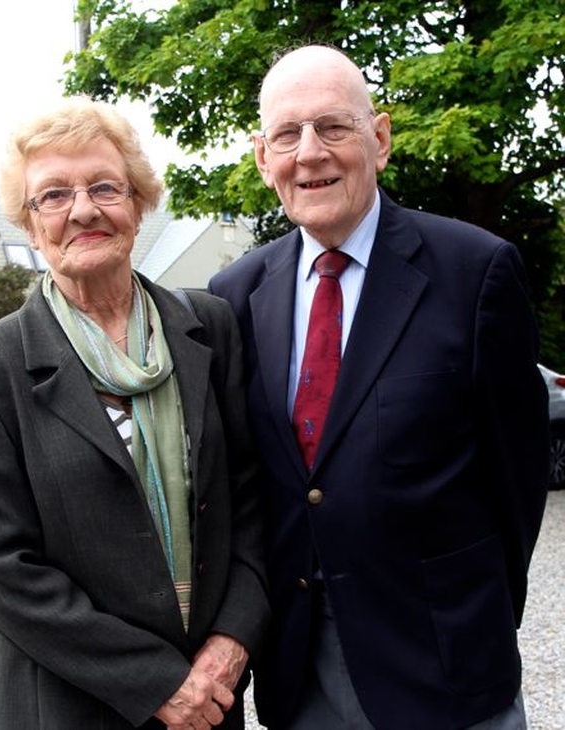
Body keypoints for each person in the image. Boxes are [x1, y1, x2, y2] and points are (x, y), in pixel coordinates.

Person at [208, 44, 550, 730]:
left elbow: (520, 479)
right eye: (287, 134)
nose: (310, 154)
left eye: (333, 127)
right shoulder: (235, 296)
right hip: (298, 671)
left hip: (445, 670)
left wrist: (473, 614)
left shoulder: (474, 272)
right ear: (261, 157)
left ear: (381, 138)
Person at [0, 97, 269, 730]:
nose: (83, 210)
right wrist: (157, 683)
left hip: (209, 699)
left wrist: (233, 641)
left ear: (139, 203)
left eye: (103, 187)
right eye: (53, 196)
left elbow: (251, 506)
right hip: (62, 704)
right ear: (30, 225)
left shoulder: (210, 329)